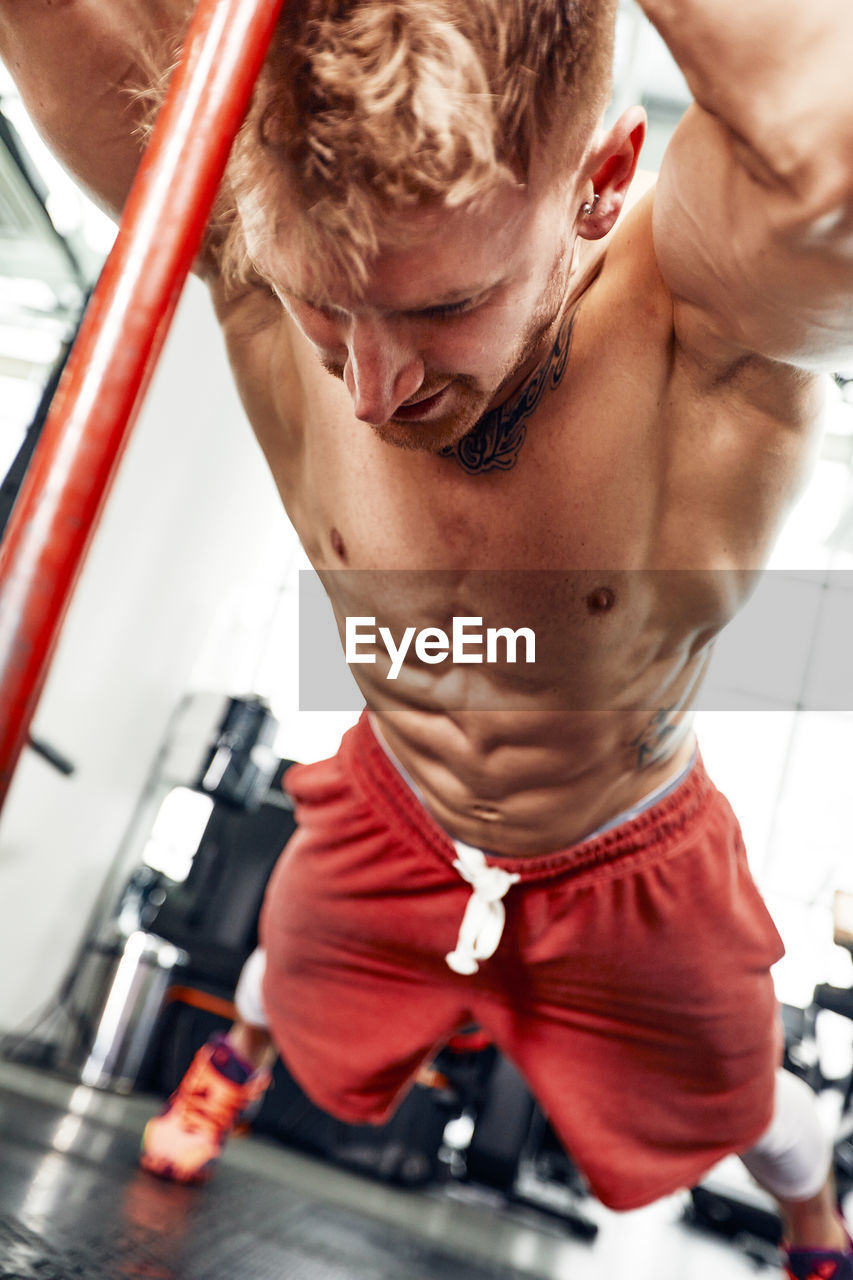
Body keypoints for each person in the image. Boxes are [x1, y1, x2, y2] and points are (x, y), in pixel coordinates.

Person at [3, 1, 853, 1273]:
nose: (371, 386)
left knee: (742, 1101)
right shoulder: (247, 238)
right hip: (390, 803)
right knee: (281, 980)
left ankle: (811, 1214)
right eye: (325, 310)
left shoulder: (706, 318)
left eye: (446, 305)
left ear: (600, 182)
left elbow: (826, 156)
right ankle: (232, 1068)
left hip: (627, 842)